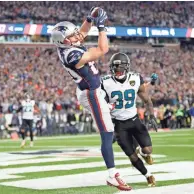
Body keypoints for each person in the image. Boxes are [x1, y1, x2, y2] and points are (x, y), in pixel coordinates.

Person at [51, 7, 131, 191]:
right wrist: (101, 26)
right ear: (64, 41)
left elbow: (82, 32)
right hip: (91, 93)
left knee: (113, 123)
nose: (77, 36)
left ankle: (108, 117)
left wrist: (90, 17)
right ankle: (112, 175)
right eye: (72, 36)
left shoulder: (67, 44)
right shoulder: (71, 54)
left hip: (95, 89)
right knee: (106, 132)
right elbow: (103, 49)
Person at [101, 52, 159, 187]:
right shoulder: (105, 82)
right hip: (118, 125)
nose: (117, 70)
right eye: (115, 67)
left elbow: (147, 100)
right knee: (132, 155)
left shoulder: (135, 78)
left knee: (148, 150)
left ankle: (144, 154)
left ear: (127, 67)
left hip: (134, 120)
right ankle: (148, 175)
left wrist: (151, 115)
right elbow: (100, 104)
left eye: (120, 67)